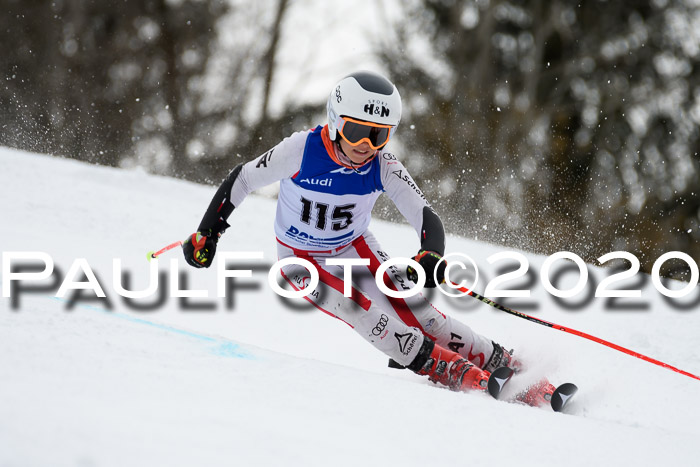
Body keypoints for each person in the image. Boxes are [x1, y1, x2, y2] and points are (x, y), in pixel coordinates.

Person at [182, 70, 518, 392]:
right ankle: (443, 366)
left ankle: (500, 360)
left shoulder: (383, 165)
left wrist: (432, 253)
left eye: (379, 134)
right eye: (356, 130)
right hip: (299, 260)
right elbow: (242, 178)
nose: (365, 144)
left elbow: (424, 214)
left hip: (353, 248)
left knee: (423, 315)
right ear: (335, 121)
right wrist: (208, 233)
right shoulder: (302, 150)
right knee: (357, 308)